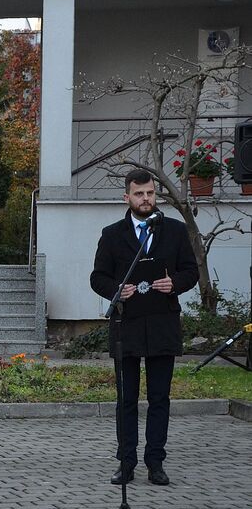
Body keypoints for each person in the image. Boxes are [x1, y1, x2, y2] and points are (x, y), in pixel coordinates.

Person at [90, 169, 199, 486]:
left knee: (159, 398)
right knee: (126, 400)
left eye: (150, 193)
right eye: (139, 194)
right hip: (127, 326)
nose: (146, 199)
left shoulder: (175, 232)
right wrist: (116, 289)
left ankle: (156, 463)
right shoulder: (112, 234)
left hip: (163, 323)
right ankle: (126, 463)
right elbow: (97, 277)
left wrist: (174, 283)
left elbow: (191, 271)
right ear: (127, 197)